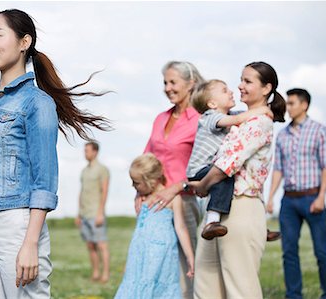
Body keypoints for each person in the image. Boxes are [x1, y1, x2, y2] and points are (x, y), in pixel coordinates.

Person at [0, 9, 110, 298]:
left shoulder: (37, 103)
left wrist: (30, 243)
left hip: (17, 224)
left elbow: (44, 180)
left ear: (24, 42)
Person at [185, 61, 286, 298]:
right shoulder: (236, 119)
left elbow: (226, 166)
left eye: (247, 81)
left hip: (241, 207)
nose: (239, 86)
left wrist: (201, 185)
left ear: (266, 88)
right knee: (206, 287)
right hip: (218, 209)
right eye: (241, 79)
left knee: (240, 289)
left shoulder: (259, 122)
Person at [187, 79, 280, 241]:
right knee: (225, 176)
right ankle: (212, 221)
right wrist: (264, 110)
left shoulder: (230, 114)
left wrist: (265, 111)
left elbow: (247, 117)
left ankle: (260, 227)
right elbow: (239, 120)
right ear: (212, 103)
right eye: (224, 90)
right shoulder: (209, 117)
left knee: (248, 175)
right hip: (199, 169)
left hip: (209, 166)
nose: (231, 91)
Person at [142, 61, 204, 299]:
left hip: (184, 202)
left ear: (190, 84)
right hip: (155, 203)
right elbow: (147, 157)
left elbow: (205, 167)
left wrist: (176, 187)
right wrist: (140, 192)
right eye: (165, 83)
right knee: (155, 264)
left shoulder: (200, 120)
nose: (167, 88)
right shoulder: (160, 118)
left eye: (173, 82)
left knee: (183, 266)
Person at [266, 88, 326, 299]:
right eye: (287, 103)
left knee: (322, 251)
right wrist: (270, 198)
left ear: (304, 105)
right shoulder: (282, 135)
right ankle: (293, 295)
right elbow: (278, 168)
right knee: (288, 252)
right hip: (289, 201)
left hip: (312, 198)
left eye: (292, 103)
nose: (288, 107)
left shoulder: (320, 131)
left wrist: (322, 196)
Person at [115, 153, 194, 299]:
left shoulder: (172, 199)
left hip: (161, 254)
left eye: (136, 182)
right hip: (140, 252)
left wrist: (190, 256)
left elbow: (181, 228)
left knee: (157, 287)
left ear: (152, 180)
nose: (133, 186)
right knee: (136, 283)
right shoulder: (142, 199)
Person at [75, 141, 110, 283]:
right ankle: (95, 272)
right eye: (84, 150)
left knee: (101, 245)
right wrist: (78, 213)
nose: (85, 153)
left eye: (87, 150)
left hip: (96, 213)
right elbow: (81, 192)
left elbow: (104, 191)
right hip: (84, 214)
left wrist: (100, 212)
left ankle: (105, 273)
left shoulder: (102, 170)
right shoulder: (84, 171)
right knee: (90, 244)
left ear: (95, 152)